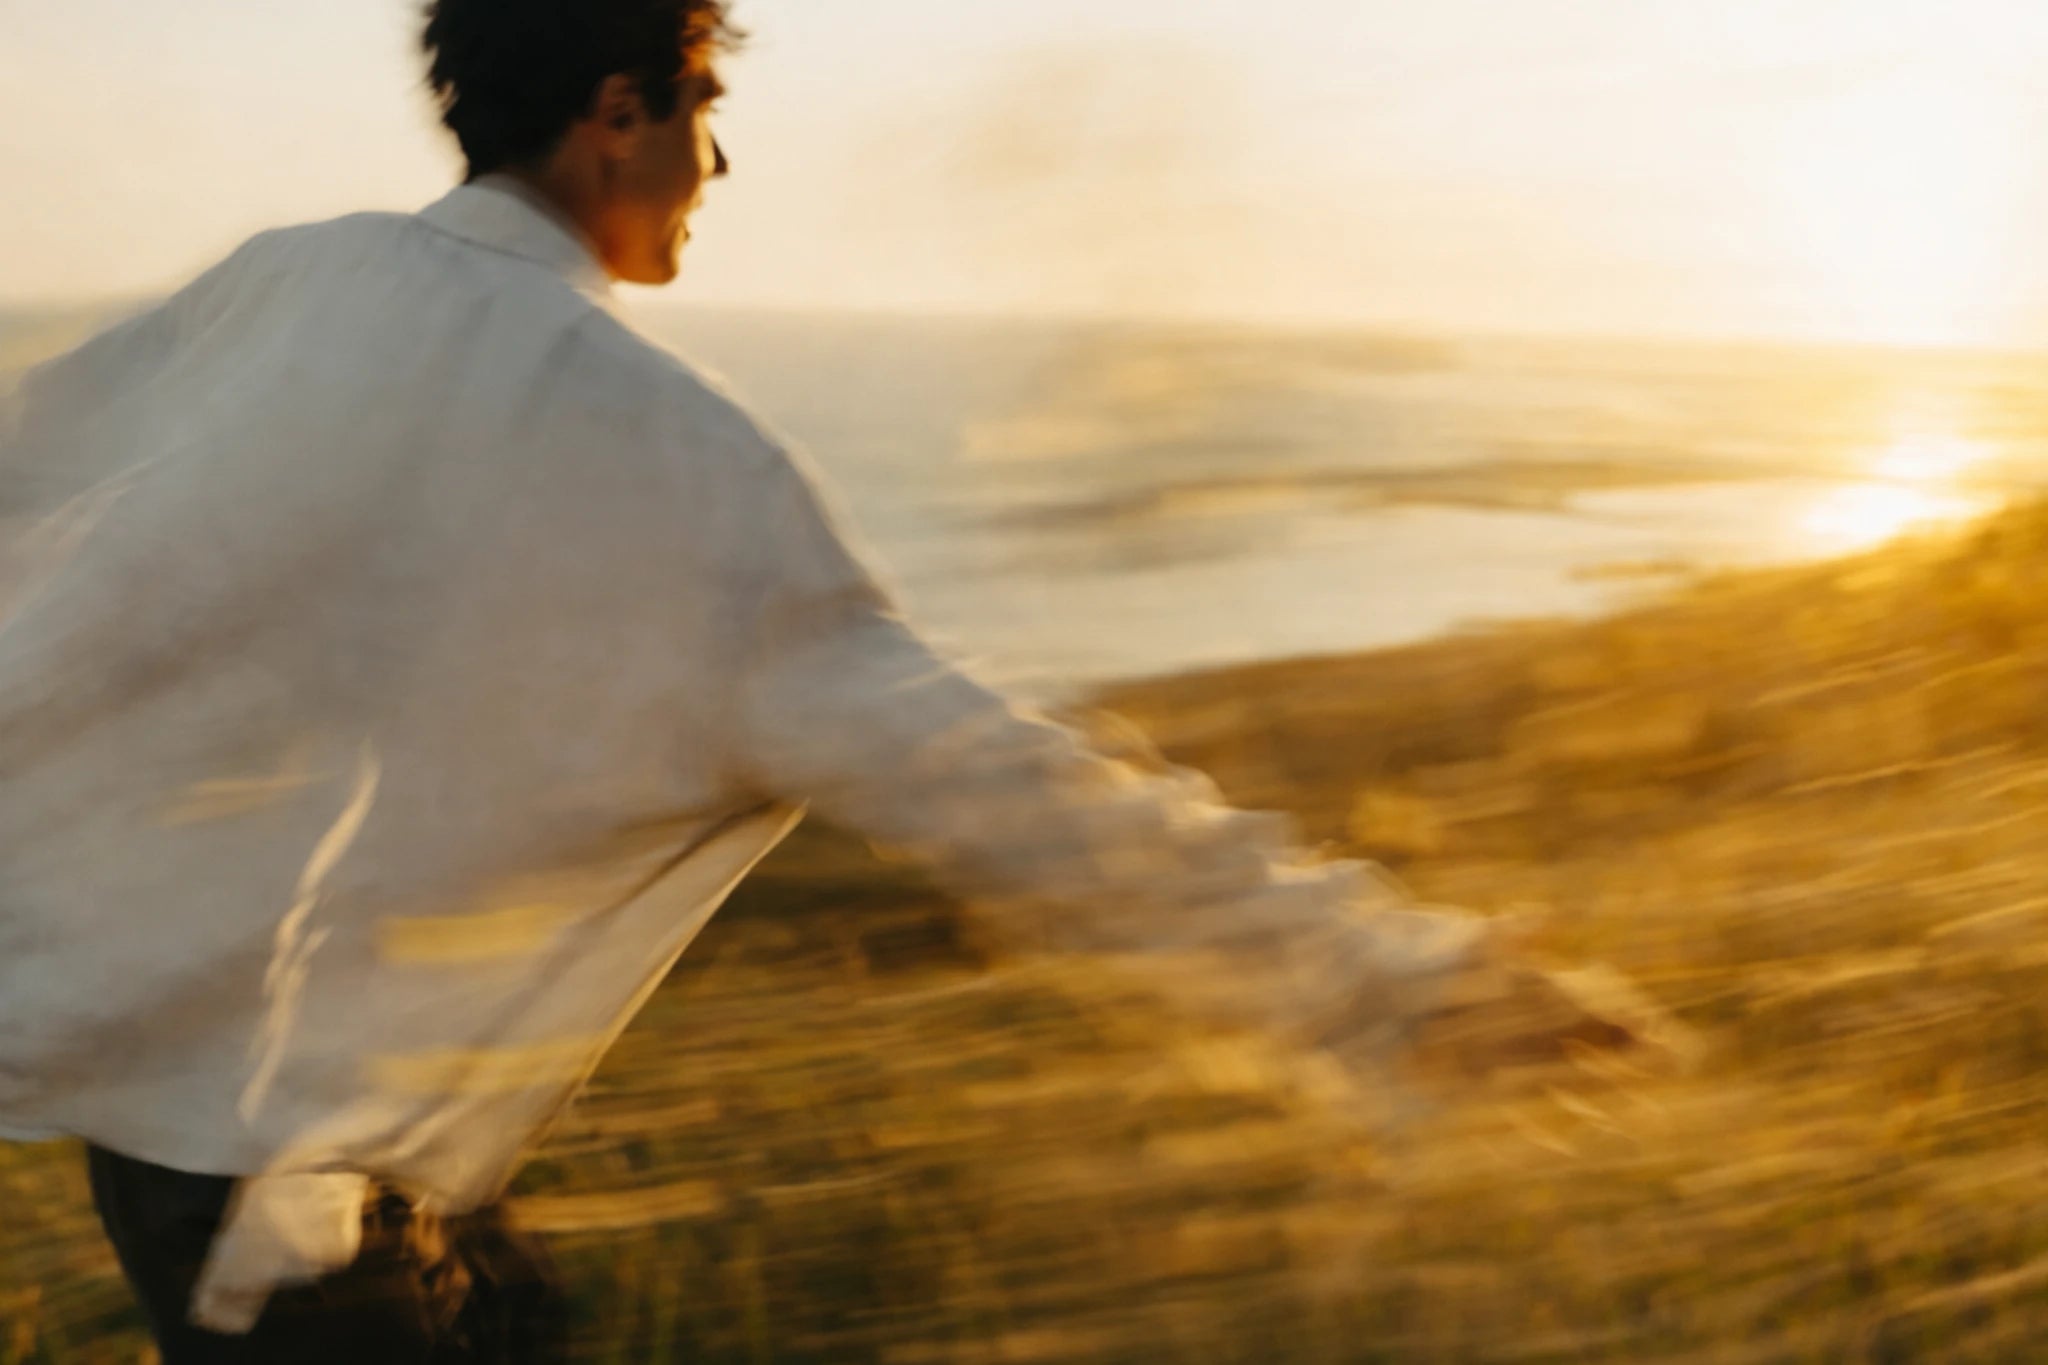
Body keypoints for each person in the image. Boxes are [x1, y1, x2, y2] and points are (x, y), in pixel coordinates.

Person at [0, 1, 1643, 1359]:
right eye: (706, 113)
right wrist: (1391, 973)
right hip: (298, 1182)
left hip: (177, 1126)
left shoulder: (286, 283)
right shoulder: (670, 455)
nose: (718, 165)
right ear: (621, 111)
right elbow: (1002, 782)